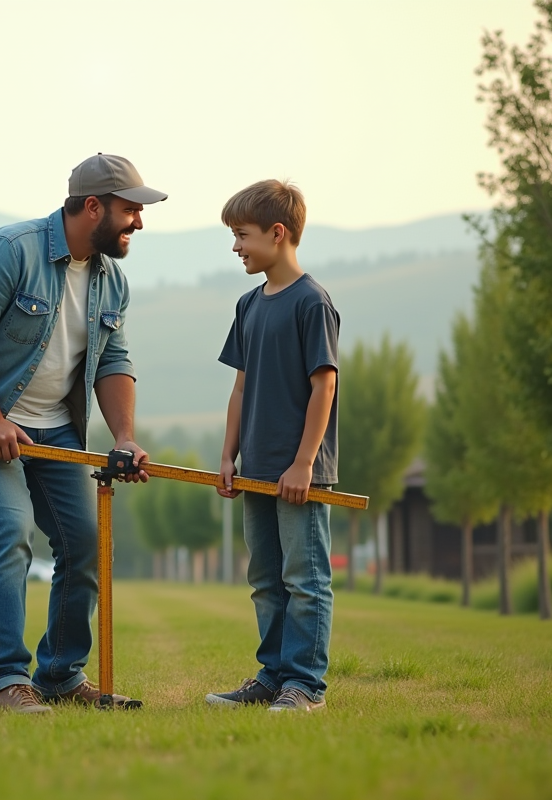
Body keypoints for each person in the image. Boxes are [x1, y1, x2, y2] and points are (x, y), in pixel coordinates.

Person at [0, 154, 165, 713]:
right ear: (92, 207)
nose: (138, 222)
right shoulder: (10, 252)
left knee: (85, 544)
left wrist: (125, 436)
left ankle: (60, 675)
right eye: (130, 209)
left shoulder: (113, 281)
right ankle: (7, 682)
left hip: (56, 430)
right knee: (10, 532)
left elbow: (114, 361)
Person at [205, 179, 339, 712]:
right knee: (265, 578)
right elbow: (240, 387)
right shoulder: (248, 305)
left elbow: (324, 384)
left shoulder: (313, 303)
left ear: (277, 234)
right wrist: (226, 456)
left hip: (300, 472)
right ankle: (273, 676)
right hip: (256, 469)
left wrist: (304, 463)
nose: (236, 246)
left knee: (304, 578)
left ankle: (305, 685)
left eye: (242, 235)